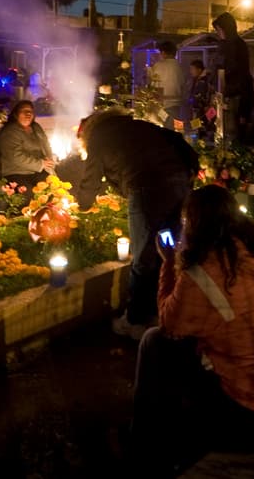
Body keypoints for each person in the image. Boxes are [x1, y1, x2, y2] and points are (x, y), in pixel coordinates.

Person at [131, 184, 254, 470]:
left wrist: (168, 264)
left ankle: (145, 448)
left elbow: (169, 324)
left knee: (155, 343)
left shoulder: (201, 275)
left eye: (186, 221)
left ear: (195, 224)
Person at [69, 110, 198, 339]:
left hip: (147, 191)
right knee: (169, 247)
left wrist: (83, 204)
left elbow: (91, 177)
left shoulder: (99, 137)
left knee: (144, 255)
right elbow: (178, 140)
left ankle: (135, 320)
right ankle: (166, 309)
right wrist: (189, 173)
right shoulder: (139, 125)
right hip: (178, 186)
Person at [0, 99, 55, 192]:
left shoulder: (36, 128)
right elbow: (15, 157)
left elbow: (46, 145)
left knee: (54, 190)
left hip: (37, 171)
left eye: (30, 111)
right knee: (29, 194)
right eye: (24, 111)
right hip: (16, 172)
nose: (28, 114)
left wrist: (49, 161)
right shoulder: (9, 132)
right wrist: (40, 164)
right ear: (16, 114)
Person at [210, 12, 252, 145]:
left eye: (219, 30)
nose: (218, 33)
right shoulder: (225, 45)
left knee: (231, 133)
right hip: (223, 94)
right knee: (221, 130)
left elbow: (235, 70)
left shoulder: (236, 45)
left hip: (233, 95)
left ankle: (230, 161)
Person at [148, 40, 187, 130]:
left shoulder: (158, 65)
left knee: (161, 132)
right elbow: (183, 85)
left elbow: (153, 85)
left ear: (163, 52)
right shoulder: (179, 66)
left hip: (161, 105)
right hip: (177, 105)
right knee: (177, 130)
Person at [187, 59, 215, 143]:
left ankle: (201, 148)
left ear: (199, 69)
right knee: (196, 131)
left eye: (192, 69)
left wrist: (192, 102)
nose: (191, 71)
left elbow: (201, 97)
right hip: (197, 111)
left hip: (202, 112)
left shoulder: (205, 81)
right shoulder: (197, 79)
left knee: (201, 132)